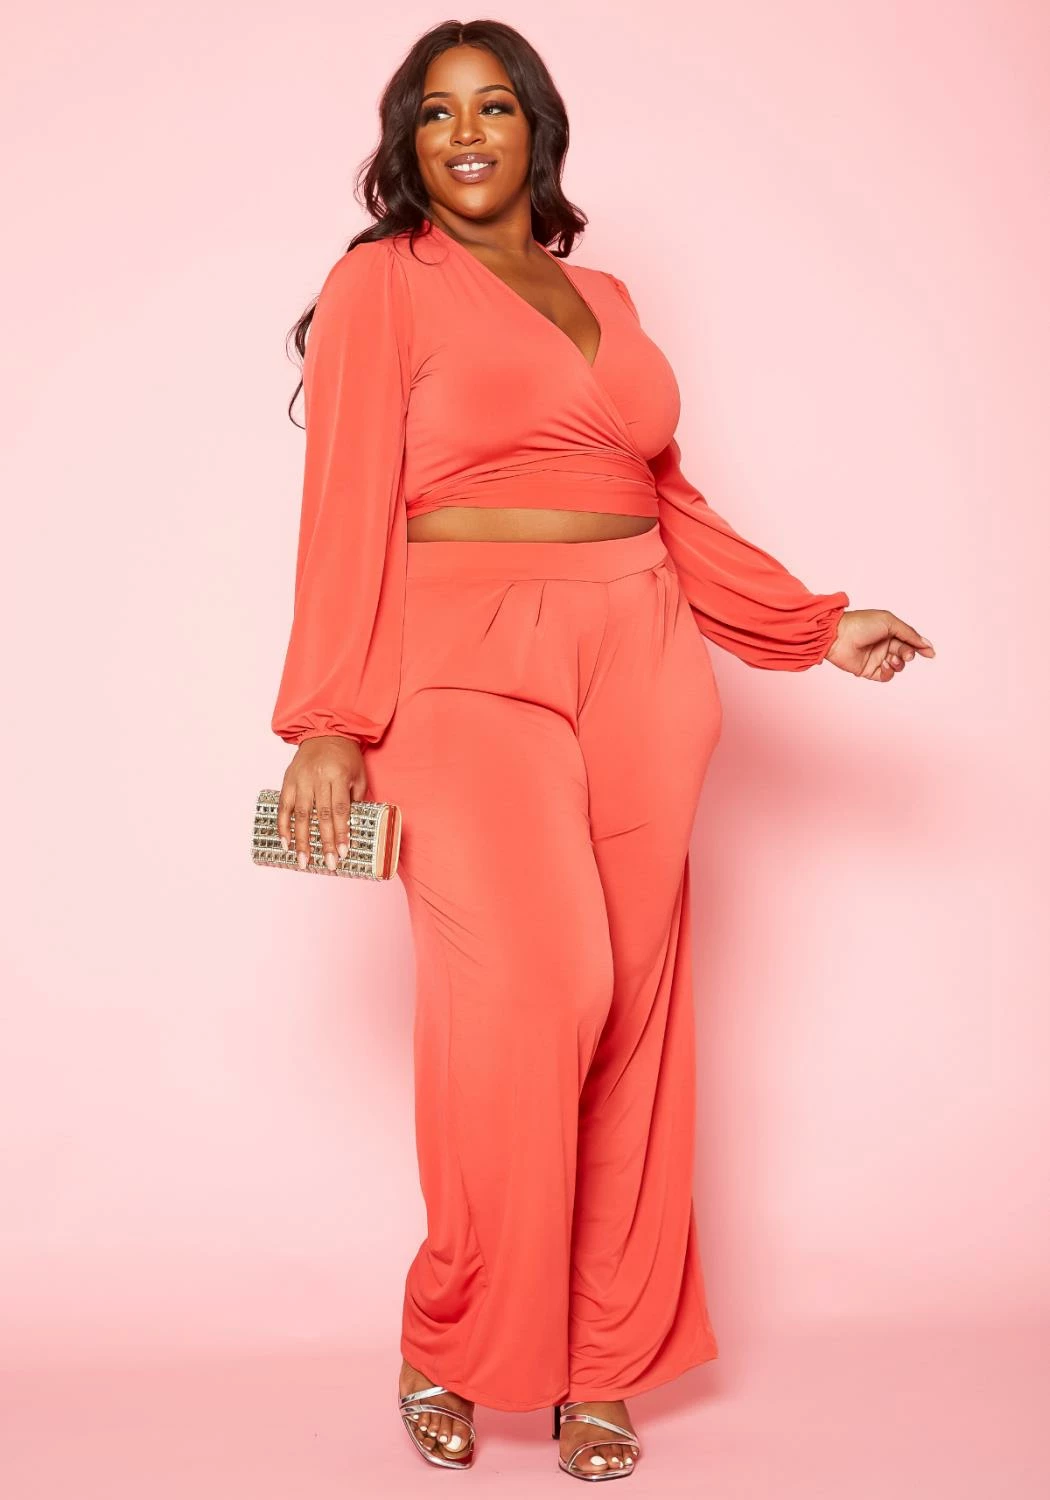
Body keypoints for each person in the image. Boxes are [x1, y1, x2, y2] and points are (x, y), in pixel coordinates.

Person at [269, 20, 935, 1482]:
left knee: (632, 1015)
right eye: (435, 112)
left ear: (537, 130)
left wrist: (810, 624)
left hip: (641, 656)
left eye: (493, 106)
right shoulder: (383, 282)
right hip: (462, 661)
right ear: (406, 142)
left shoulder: (606, 295)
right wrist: (325, 718)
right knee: (536, 990)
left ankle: (601, 1360)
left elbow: (662, 495)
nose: (465, 133)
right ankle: (452, 1333)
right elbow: (344, 503)